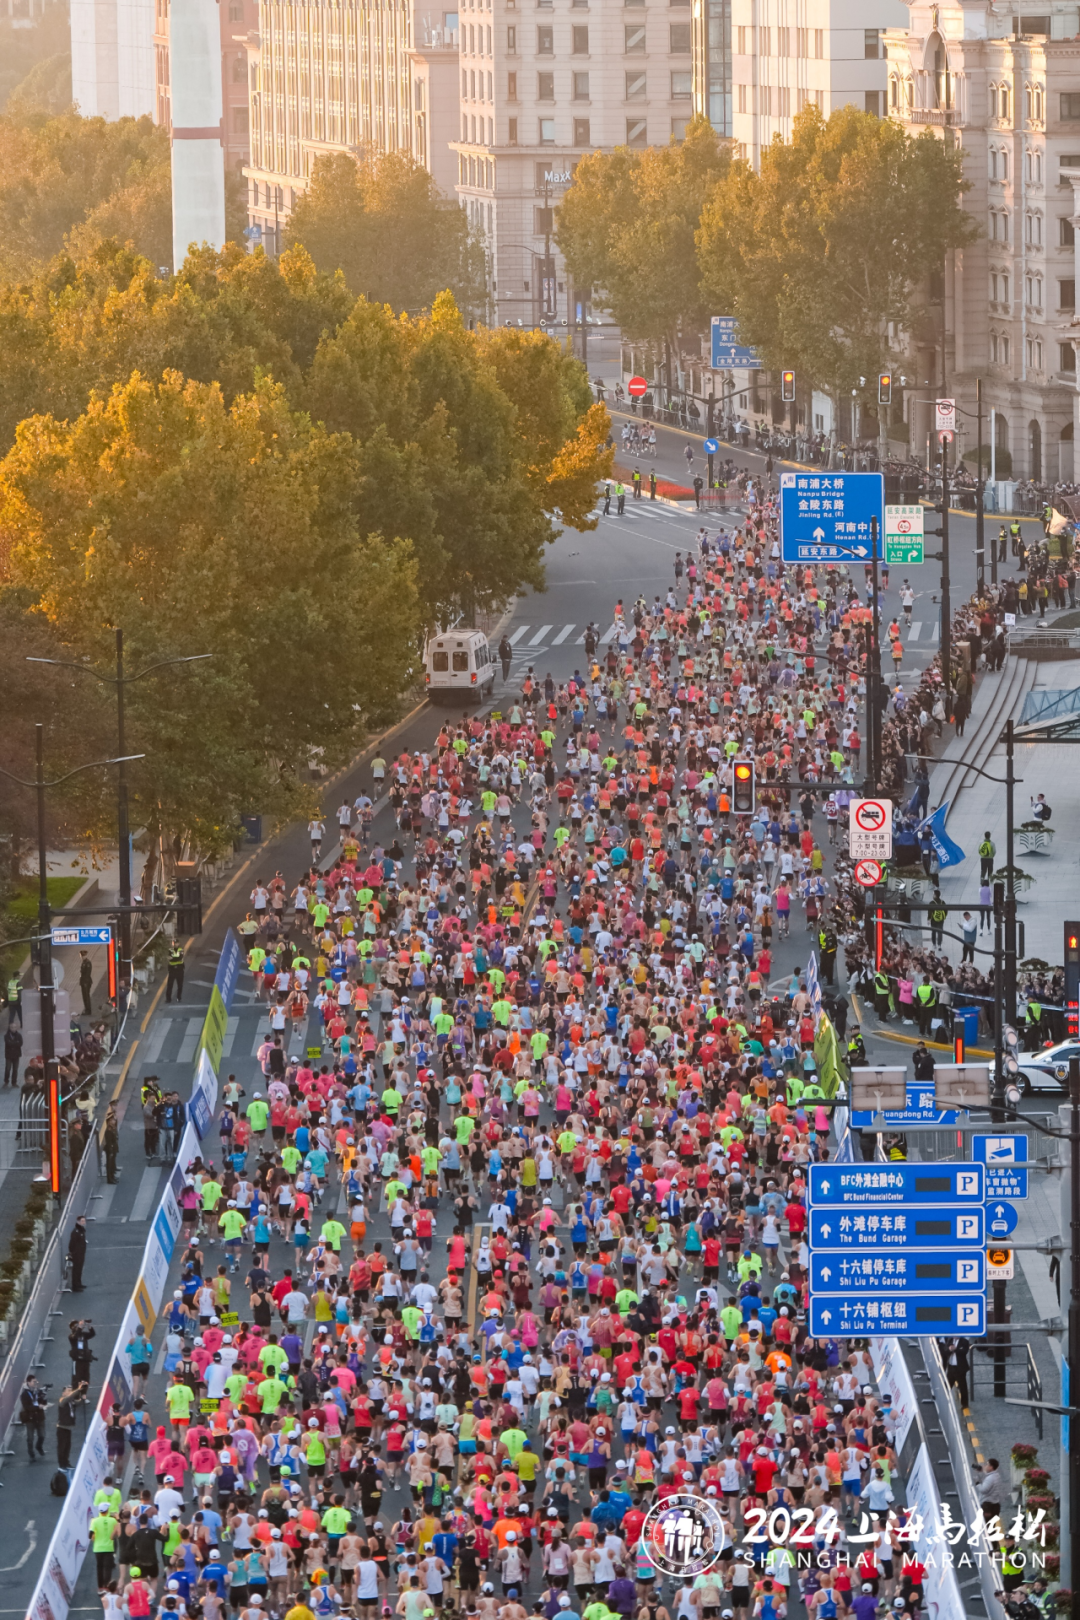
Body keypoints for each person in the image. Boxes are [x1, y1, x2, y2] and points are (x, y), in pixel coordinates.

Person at [56, 1380, 88, 1470]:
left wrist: (82, 1398)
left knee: (67, 1446)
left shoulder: (71, 1402)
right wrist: (78, 1389)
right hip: (62, 1427)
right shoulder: (62, 1400)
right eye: (68, 1391)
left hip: (68, 1427)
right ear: (64, 1393)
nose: (70, 1392)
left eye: (71, 1390)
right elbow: (69, 1398)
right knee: (61, 1447)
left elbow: (79, 1403)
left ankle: (66, 1463)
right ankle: (61, 1464)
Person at [20, 1373, 48, 1459]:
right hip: (30, 1418)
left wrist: (43, 1398)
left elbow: (43, 1402)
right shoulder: (24, 1394)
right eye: (33, 1382)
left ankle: (38, 1446)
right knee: (30, 1438)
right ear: (28, 1382)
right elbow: (27, 1407)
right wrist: (38, 1407)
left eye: (36, 1381)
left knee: (42, 1435)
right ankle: (31, 1453)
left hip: (39, 1417)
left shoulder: (37, 1391)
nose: (35, 1383)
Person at [69, 1213, 88, 1291]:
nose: (84, 1222)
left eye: (84, 1221)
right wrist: (74, 1253)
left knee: (79, 1269)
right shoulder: (76, 1232)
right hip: (77, 1254)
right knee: (76, 1269)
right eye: (82, 1221)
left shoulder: (81, 1231)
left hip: (81, 1253)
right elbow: (72, 1244)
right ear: (78, 1222)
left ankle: (79, 1283)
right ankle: (75, 1286)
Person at [79, 950, 94, 1017]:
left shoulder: (87, 963)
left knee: (86, 996)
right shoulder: (84, 962)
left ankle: (88, 1010)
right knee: (84, 996)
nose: (82, 957)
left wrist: (85, 982)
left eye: (83, 955)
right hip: (83, 981)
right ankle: (86, 1009)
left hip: (86, 982)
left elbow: (87, 974)